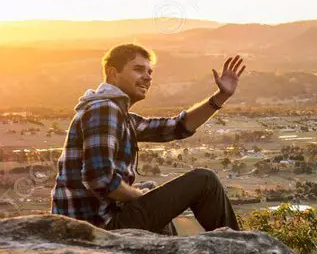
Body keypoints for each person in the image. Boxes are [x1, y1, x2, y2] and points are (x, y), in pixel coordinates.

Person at [51, 43, 247, 234]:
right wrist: (137, 194)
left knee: (150, 189)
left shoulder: (118, 115)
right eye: (138, 70)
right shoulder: (105, 109)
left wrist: (221, 96)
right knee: (205, 181)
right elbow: (100, 179)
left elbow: (176, 127)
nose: (147, 77)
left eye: (150, 72)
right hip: (95, 230)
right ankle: (239, 249)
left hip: (91, 225)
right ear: (113, 73)